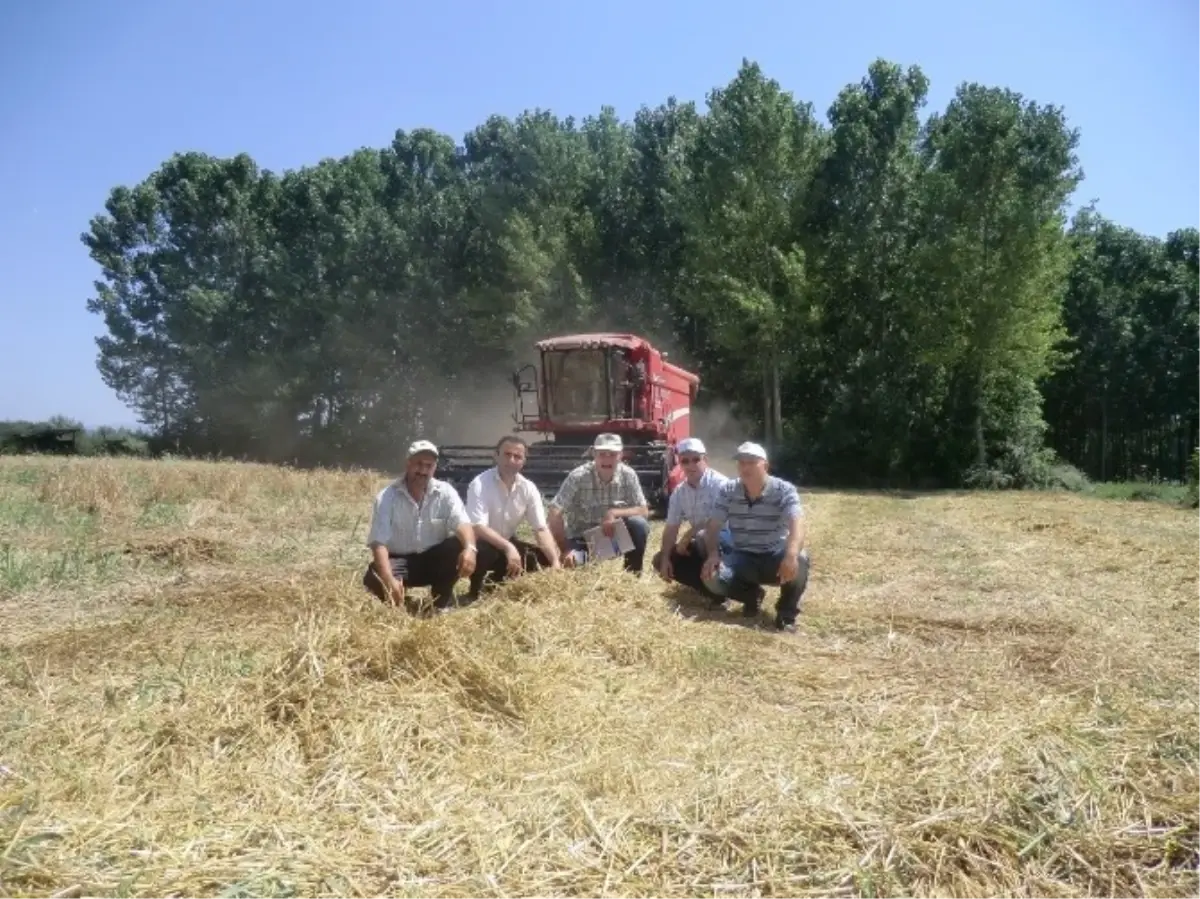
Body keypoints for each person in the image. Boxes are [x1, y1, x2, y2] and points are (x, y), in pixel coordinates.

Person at [700, 441, 810, 633]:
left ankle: (786, 615)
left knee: (801, 559)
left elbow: (797, 523)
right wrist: (712, 555)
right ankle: (752, 596)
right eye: (741, 462)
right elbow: (713, 525)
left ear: (765, 466)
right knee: (711, 578)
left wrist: (790, 555)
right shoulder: (728, 490)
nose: (745, 467)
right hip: (742, 557)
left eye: (752, 462)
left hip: (774, 556)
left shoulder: (783, 490)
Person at [362, 439, 477, 613]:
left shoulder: (445, 492)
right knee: (373, 577)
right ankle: (400, 600)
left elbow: (461, 522)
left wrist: (470, 548)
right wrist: (388, 579)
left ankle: (440, 602)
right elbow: (379, 542)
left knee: (456, 544)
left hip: (434, 560)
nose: (423, 470)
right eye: (419, 464)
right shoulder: (387, 497)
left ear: (434, 468)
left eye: (428, 465)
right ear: (408, 464)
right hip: (401, 561)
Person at [464, 435, 562, 598]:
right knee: (485, 552)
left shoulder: (528, 488)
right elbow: (478, 527)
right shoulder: (479, 483)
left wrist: (555, 561)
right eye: (507, 454)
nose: (511, 460)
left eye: (517, 457)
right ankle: (474, 591)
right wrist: (509, 547)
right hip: (482, 542)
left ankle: (497, 582)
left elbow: (540, 528)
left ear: (524, 461)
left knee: (541, 559)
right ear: (496, 456)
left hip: (507, 540)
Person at [547, 432, 650, 573]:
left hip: (613, 539)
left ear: (621, 455)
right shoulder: (578, 476)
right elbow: (554, 511)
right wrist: (565, 548)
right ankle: (579, 559)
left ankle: (632, 575)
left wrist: (613, 513)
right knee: (572, 561)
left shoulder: (628, 475)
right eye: (602, 453)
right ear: (593, 454)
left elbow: (643, 510)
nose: (607, 459)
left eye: (612, 454)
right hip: (582, 542)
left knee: (639, 525)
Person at [652, 437, 732, 596]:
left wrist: (690, 533)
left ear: (705, 460)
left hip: (729, 543)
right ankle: (714, 593)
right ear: (679, 464)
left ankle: (742, 589)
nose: (691, 465)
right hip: (702, 543)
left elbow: (719, 522)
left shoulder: (722, 485)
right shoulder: (679, 492)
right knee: (660, 559)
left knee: (703, 537)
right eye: (685, 461)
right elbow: (671, 527)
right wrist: (666, 558)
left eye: (696, 459)